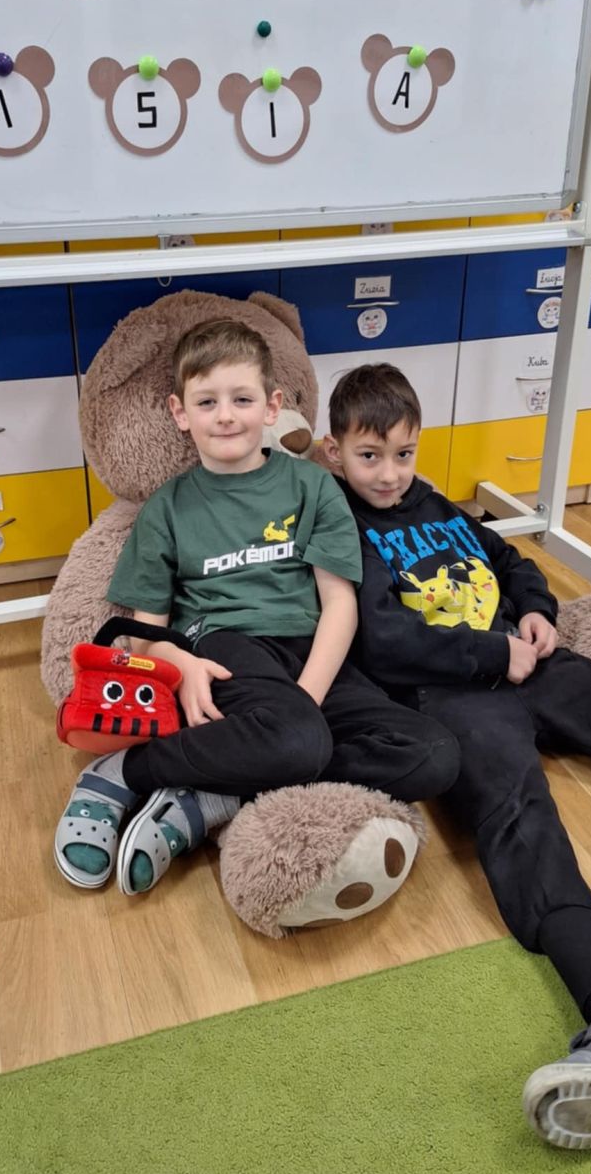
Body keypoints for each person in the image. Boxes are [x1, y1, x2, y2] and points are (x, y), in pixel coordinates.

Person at [323, 361, 591, 1153]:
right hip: (452, 695)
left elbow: (509, 562)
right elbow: (380, 639)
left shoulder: (437, 504)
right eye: (369, 456)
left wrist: (538, 612)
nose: (389, 473)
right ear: (334, 452)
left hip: (530, 659)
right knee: (519, 817)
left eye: (402, 453)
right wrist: (488, 655)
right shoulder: (338, 525)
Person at [54, 320, 458, 901]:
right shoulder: (166, 509)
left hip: (312, 657)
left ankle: (219, 790)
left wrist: (306, 700)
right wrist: (180, 664)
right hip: (225, 650)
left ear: (271, 406)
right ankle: (125, 772)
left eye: (242, 399)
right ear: (179, 412)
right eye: (207, 402)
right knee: (300, 739)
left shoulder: (313, 487)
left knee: (435, 756)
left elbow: (339, 604)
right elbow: (143, 635)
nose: (225, 416)